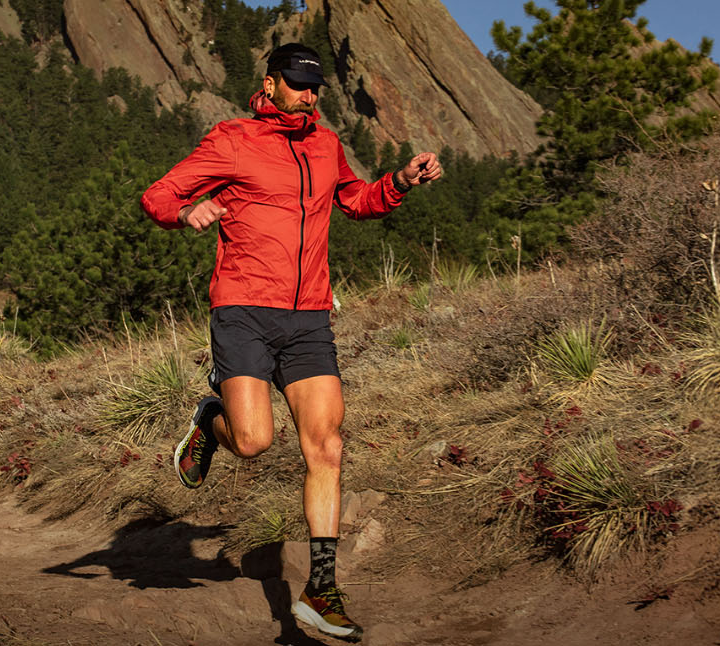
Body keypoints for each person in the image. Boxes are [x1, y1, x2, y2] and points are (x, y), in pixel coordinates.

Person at [140, 42, 441, 642]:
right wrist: (187, 213)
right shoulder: (231, 139)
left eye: (316, 86)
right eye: (298, 83)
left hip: (308, 318)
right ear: (270, 83)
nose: (309, 94)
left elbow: (355, 201)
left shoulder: (326, 144)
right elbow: (158, 196)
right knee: (253, 442)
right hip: (244, 309)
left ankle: (321, 590)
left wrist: (400, 182)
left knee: (326, 446)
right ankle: (212, 420)